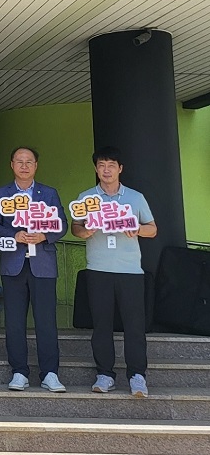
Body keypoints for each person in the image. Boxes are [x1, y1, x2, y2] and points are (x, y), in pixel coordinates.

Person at [71, 146, 157, 398]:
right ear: (96, 169)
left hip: (130, 270)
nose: (106, 170)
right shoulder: (86, 198)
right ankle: (104, 374)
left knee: (134, 325)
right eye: (101, 165)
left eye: (111, 165)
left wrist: (138, 230)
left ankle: (137, 376)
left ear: (120, 168)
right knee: (101, 325)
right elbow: (76, 227)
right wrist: (84, 231)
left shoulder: (135, 197)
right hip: (98, 269)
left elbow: (153, 228)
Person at [0, 146, 67, 393]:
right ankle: (19, 371)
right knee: (14, 321)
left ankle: (50, 373)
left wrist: (44, 235)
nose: (24, 166)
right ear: (11, 165)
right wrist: (15, 234)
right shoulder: (2, 194)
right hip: (14, 264)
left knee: (46, 321)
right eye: (19, 161)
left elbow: (62, 224)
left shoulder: (49, 194)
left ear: (36, 165)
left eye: (28, 161)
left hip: (43, 264)